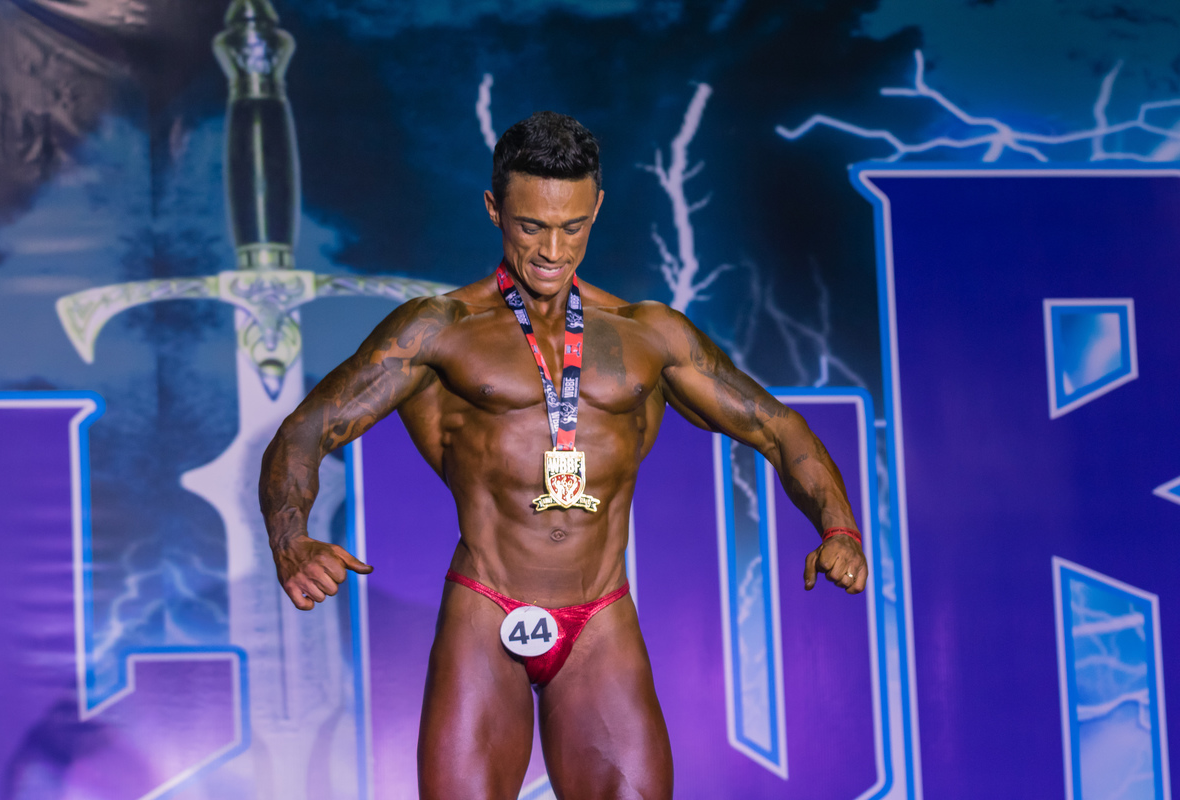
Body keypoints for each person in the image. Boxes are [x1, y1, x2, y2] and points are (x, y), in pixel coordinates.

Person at [259, 111, 868, 800]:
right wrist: (291, 541)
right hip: (486, 607)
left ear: (597, 208)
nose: (553, 250)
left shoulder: (649, 334)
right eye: (531, 226)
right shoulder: (437, 330)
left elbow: (776, 427)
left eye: (572, 227)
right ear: (494, 209)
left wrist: (839, 527)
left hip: (600, 617)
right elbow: (306, 430)